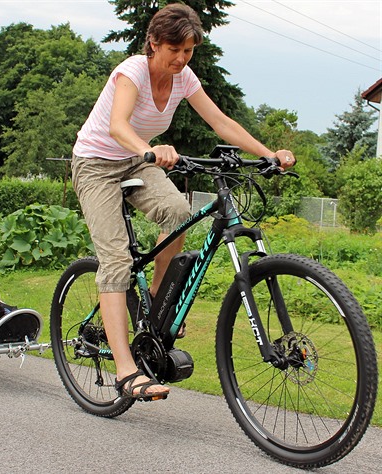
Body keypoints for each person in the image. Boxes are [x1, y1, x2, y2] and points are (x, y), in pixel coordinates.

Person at [72, 4, 296, 400]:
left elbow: (221, 122)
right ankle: (126, 371)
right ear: (153, 43)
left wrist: (268, 155)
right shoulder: (132, 72)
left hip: (134, 161)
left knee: (178, 212)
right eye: (174, 49)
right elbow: (117, 125)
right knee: (117, 259)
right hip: (96, 164)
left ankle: (157, 307)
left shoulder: (184, 78)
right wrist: (150, 149)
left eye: (188, 50)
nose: (180, 58)